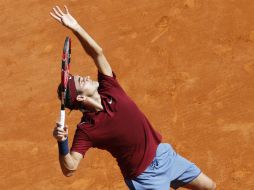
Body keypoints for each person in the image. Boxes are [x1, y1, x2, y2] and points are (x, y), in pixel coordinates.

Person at [50, 5, 216, 190]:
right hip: (145, 178)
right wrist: (62, 142)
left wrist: (76, 27)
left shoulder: (109, 88)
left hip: (163, 155)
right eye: (82, 81)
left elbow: (97, 53)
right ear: (80, 98)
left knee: (209, 186)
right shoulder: (87, 129)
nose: (87, 77)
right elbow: (70, 168)